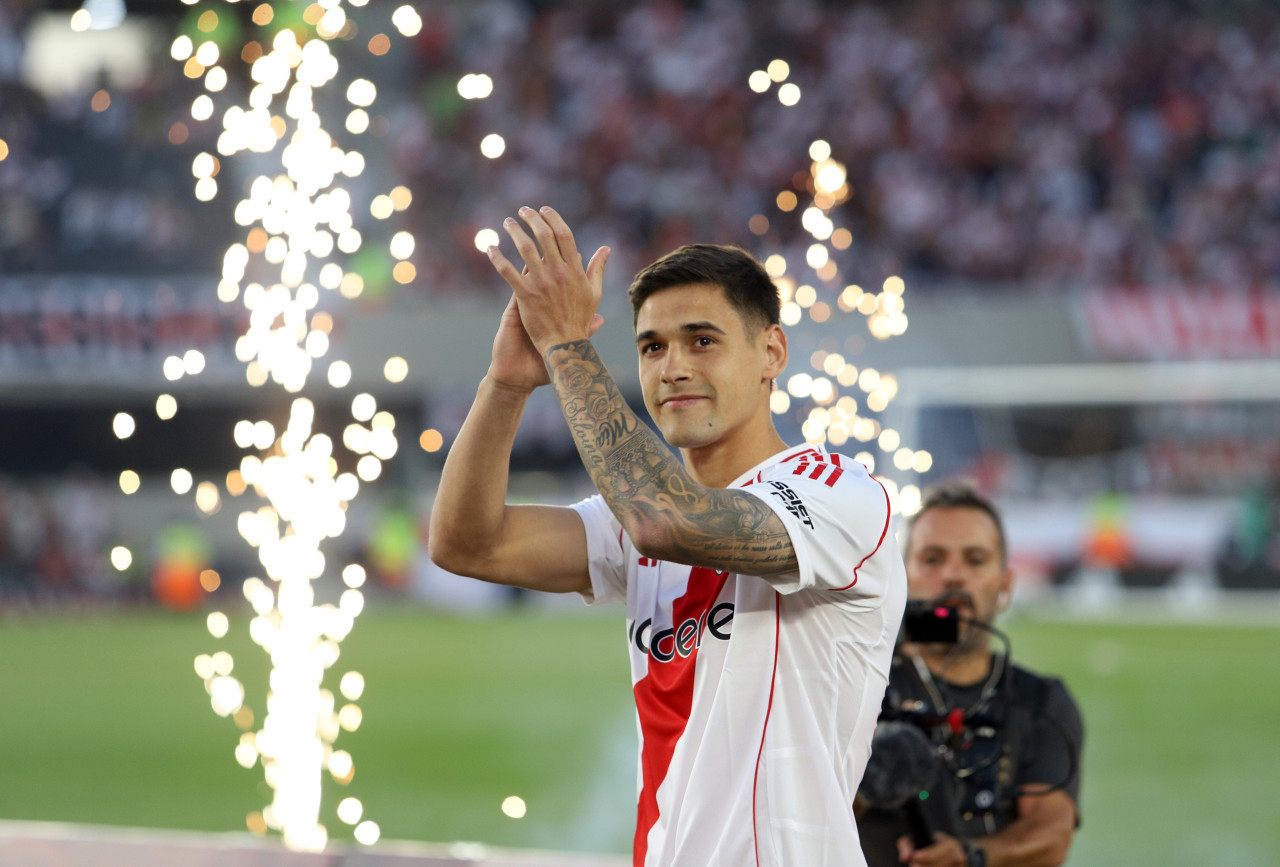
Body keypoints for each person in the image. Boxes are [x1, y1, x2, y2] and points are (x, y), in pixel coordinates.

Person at [429, 205, 907, 866]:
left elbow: (669, 521)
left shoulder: (840, 493)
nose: (672, 367)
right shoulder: (633, 519)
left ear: (771, 352)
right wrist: (508, 383)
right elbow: (466, 543)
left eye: (701, 340)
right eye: (653, 346)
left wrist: (568, 345)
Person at [857, 482, 1083, 867]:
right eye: (931, 558)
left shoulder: (1040, 700)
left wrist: (970, 856)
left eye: (975, 560)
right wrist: (868, 776)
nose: (952, 576)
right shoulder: (857, 684)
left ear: (1005, 587)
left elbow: (1051, 835)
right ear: (901, 575)